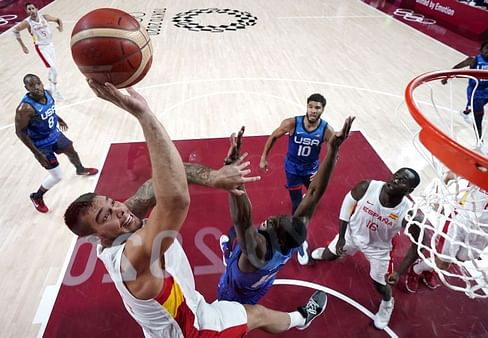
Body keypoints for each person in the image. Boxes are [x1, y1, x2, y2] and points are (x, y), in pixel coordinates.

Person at [64, 80, 328, 337]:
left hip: (171, 321)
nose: (119, 209)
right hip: (196, 328)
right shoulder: (130, 258)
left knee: (252, 311)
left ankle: (299, 318)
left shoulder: (121, 223)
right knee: (256, 314)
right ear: (97, 235)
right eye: (106, 215)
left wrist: (213, 177)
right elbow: (175, 198)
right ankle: (301, 318)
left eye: (112, 202)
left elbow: (157, 184)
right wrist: (144, 115)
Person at [218, 117, 354, 305]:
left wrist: (233, 172)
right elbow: (314, 192)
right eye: (278, 218)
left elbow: (242, 219)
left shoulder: (258, 250)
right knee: (237, 240)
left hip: (233, 292)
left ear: (279, 238)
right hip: (260, 287)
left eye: (273, 223)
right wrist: (333, 149)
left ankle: (229, 255)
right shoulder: (289, 239)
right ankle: (230, 252)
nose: (270, 218)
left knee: (236, 238)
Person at [310, 168, 423, 330]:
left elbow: (418, 244)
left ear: (409, 191)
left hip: (379, 248)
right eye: (396, 176)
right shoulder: (367, 187)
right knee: (328, 255)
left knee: (380, 285)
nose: (396, 180)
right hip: (352, 234)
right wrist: (342, 236)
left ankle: (387, 303)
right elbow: (347, 206)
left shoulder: (409, 213)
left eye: (403, 181)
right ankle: (327, 251)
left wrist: (399, 272)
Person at [259, 93, 334, 264]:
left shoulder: (326, 130)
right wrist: (264, 157)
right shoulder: (292, 123)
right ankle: (299, 238)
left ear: (323, 110)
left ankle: (307, 201)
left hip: (311, 170)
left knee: (313, 198)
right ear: (306, 106)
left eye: (317, 108)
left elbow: (333, 153)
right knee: (296, 206)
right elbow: (273, 136)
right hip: (292, 169)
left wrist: (322, 170)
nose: (313, 110)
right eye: (311, 106)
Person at [404, 171, 488, 293]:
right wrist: (437, 197)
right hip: (459, 222)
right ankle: (417, 268)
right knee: (443, 263)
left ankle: (430, 267)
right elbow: (451, 174)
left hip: (483, 232)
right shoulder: (484, 173)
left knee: (460, 258)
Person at [15, 74, 98, 213]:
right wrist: (37, 153)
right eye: (32, 86)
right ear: (26, 88)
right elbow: (20, 133)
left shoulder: (47, 93)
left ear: (41, 83)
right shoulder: (24, 109)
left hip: (54, 134)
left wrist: (58, 119)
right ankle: (37, 196)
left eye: (38, 83)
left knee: (72, 151)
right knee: (57, 176)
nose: (36, 88)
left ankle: (80, 169)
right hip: (41, 144)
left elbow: (50, 111)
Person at [441, 39, 488, 155]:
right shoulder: (474, 59)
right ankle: (480, 143)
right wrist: (446, 77)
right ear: (481, 49)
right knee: (479, 118)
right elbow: (457, 67)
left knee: (478, 108)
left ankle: (466, 112)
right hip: (475, 91)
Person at [13, 2, 63, 99]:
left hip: (50, 45)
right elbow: (15, 30)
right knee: (54, 70)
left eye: (32, 8)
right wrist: (23, 46)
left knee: (52, 69)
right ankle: (55, 90)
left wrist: (60, 26)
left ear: (36, 8)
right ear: (27, 11)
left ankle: (50, 88)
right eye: (29, 9)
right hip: (41, 47)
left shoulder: (45, 17)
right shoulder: (27, 22)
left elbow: (58, 19)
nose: (31, 11)